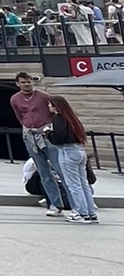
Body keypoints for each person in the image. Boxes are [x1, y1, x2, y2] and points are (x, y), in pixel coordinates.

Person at [10, 72, 71, 215]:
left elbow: (55, 112)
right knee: (43, 172)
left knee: (60, 169)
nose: (27, 84)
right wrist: (26, 127)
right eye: (23, 82)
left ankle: (75, 204)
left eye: (29, 82)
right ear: (18, 84)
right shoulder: (15, 99)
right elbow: (20, 115)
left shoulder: (44, 96)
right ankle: (55, 204)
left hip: (46, 133)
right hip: (30, 135)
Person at [41, 89, 98, 222]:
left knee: (73, 184)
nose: (49, 107)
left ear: (55, 106)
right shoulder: (72, 118)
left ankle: (80, 213)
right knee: (83, 184)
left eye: (50, 105)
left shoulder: (58, 118)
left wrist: (48, 132)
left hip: (67, 151)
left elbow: (58, 138)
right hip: (79, 150)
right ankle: (91, 213)